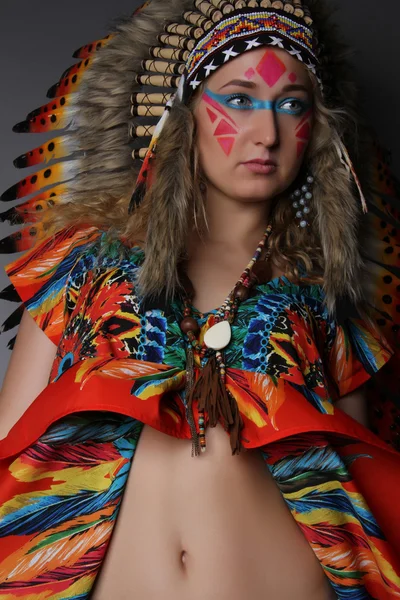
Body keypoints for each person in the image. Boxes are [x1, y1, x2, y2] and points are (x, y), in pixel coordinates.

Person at [0, 0, 399, 598]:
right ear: (179, 112)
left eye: (292, 105)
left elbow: (357, 488)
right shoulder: (83, 263)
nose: (267, 133)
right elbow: (11, 452)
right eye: (238, 99)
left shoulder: (328, 299)